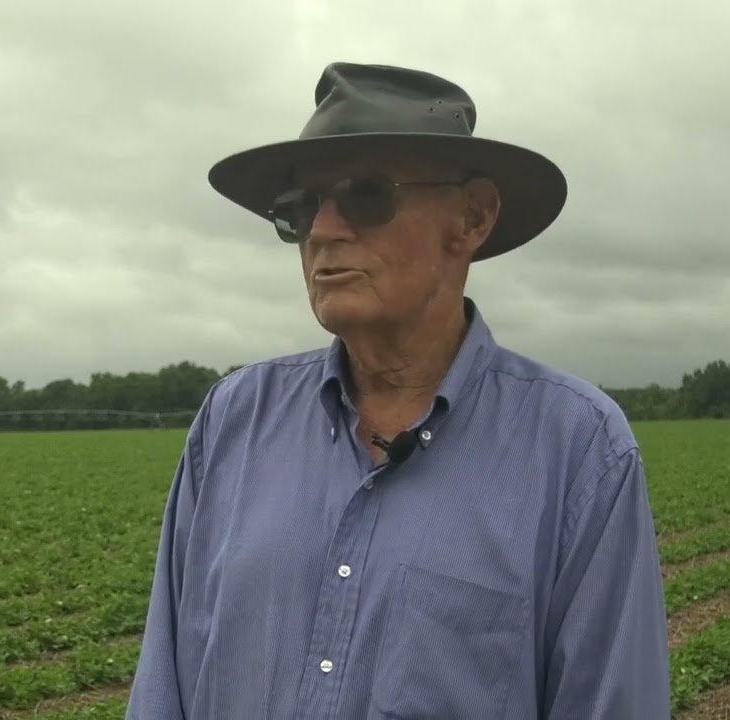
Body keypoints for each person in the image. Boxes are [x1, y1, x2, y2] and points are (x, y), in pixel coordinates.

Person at [126, 62, 671, 719]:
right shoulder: (233, 420)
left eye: (366, 195)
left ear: (471, 218)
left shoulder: (578, 449)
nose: (323, 230)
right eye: (300, 208)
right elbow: (163, 689)